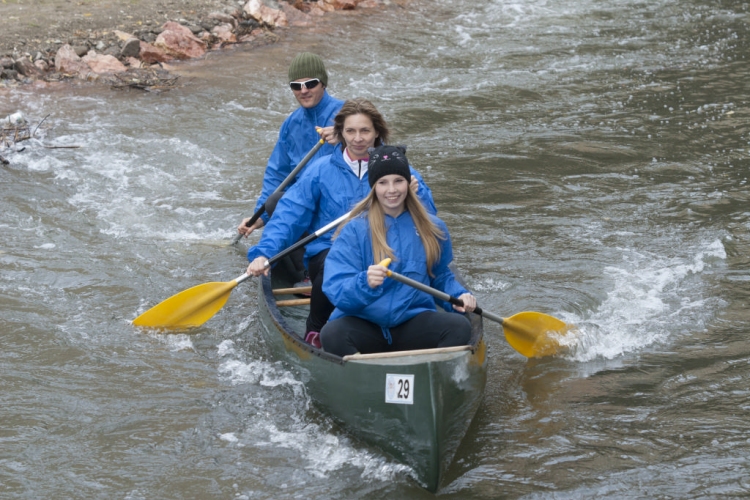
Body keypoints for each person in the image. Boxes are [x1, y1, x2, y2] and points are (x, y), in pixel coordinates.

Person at [245, 98, 437, 341]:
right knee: (332, 265)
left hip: (385, 250)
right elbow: (288, 215)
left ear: (377, 132)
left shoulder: (399, 171)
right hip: (330, 249)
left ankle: (401, 326)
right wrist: (263, 253)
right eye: (350, 131)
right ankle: (315, 328)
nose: (358, 138)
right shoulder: (320, 170)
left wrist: (418, 195)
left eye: (365, 130)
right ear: (341, 133)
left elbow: (430, 222)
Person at [319, 144, 476, 357]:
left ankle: (429, 370)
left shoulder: (433, 227)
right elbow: (336, 289)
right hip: (366, 324)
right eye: (383, 183)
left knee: (460, 326)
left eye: (398, 181)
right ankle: (363, 372)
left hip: (412, 322)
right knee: (331, 334)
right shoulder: (354, 230)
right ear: (373, 187)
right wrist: (364, 281)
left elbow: (439, 276)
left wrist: (459, 295)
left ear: (408, 183)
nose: (391, 190)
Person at [236, 52, 344, 238]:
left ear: (323, 83)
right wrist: (260, 217)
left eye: (310, 84)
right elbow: (277, 174)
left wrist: (345, 137)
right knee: (274, 203)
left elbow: (375, 150)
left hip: (341, 201)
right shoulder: (290, 125)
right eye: (296, 86)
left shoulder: (348, 115)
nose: (303, 91)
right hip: (306, 204)